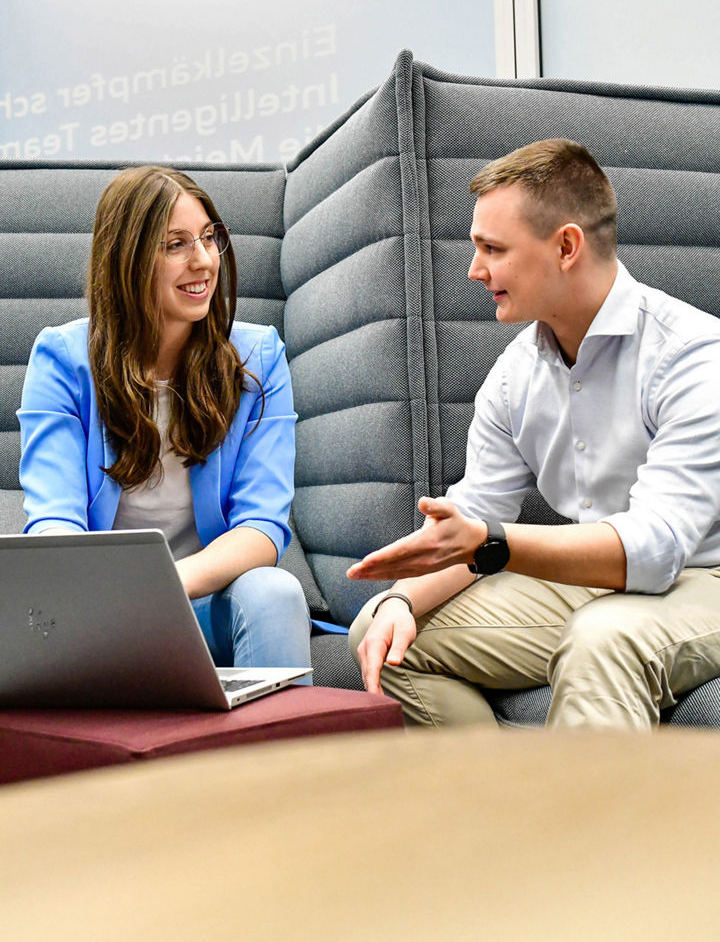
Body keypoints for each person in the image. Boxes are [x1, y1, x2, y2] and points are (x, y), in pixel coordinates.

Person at [347, 139, 720, 728]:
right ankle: (501, 807)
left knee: (604, 639)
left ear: (566, 246)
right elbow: (470, 523)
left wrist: (493, 542)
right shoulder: (515, 374)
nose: (475, 270)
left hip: (705, 577)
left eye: (492, 249)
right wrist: (400, 597)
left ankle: (588, 822)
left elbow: (655, 550)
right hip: (596, 582)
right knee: (383, 634)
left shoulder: (693, 355)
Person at [18, 165, 312, 679]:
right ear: (127, 260)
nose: (202, 261)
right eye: (175, 244)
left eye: (208, 237)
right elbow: (54, 524)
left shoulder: (259, 356)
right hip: (99, 607)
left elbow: (262, 527)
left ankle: (285, 762)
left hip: (205, 602)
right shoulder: (62, 360)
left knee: (275, 591)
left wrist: (163, 587)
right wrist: (114, 604)